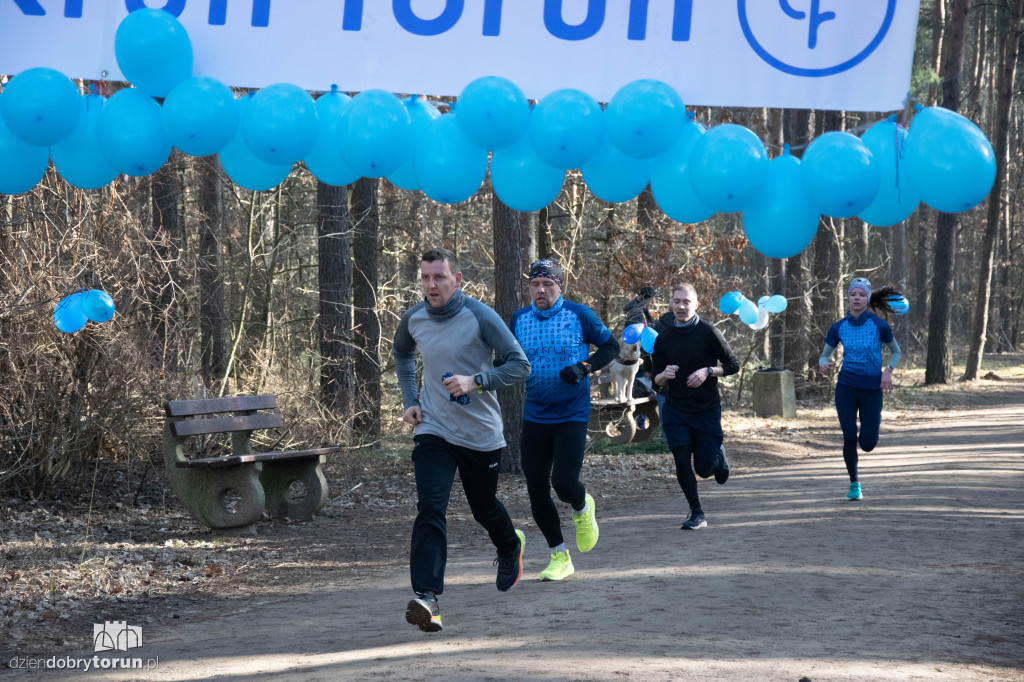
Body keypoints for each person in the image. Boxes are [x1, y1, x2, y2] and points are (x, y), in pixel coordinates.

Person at [393, 248, 532, 632]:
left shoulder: (479, 316)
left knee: (483, 507)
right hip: (433, 428)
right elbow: (402, 354)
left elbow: (520, 364)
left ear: (457, 280)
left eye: (439, 277)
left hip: (479, 433)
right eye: (425, 278)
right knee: (430, 506)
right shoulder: (414, 318)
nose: (431, 285)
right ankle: (427, 597)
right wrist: (410, 400)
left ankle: (509, 545)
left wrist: (477, 381)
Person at [510, 259, 620, 581]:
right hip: (535, 414)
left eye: (548, 284)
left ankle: (582, 506)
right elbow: (506, 358)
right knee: (536, 489)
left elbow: (611, 346)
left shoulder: (579, 314)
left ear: (560, 286)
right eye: (535, 284)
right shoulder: (519, 319)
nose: (541, 290)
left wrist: (585, 368)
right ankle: (559, 555)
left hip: (572, 413)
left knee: (563, 483)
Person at [651, 283, 739, 530]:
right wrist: (664, 375)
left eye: (686, 302)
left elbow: (733, 365)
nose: (681, 306)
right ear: (671, 303)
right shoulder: (664, 338)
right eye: (677, 301)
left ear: (696, 305)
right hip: (676, 409)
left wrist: (708, 371)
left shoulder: (709, 332)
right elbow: (655, 380)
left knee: (704, 468)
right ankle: (696, 512)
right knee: (681, 460)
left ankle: (718, 456)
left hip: (705, 409)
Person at [818, 277, 902, 501]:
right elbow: (824, 354)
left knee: (867, 444)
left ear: (867, 299)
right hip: (846, 387)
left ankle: (872, 421)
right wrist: (823, 362)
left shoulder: (879, 325)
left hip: (872, 389)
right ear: (848, 297)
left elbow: (896, 352)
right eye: (853, 294)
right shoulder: (839, 327)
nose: (857, 298)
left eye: (862, 294)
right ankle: (854, 484)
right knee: (848, 437)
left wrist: (887, 371)